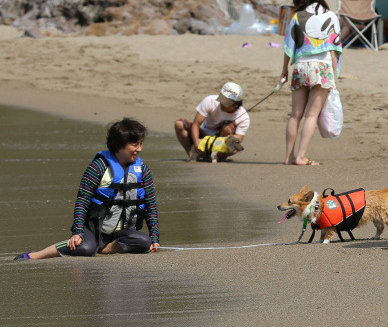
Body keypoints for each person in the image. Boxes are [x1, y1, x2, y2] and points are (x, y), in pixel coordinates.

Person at [14, 118, 160, 260]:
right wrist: (77, 231)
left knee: (143, 242)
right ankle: (35, 255)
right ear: (119, 144)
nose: (139, 149)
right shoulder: (98, 167)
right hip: (94, 228)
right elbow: (82, 200)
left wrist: (154, 238)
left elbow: (150, 205)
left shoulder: (143, 170)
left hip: (123, 233)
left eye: (141, 144)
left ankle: (102, 249)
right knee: (85, 248)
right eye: (135, 145)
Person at [280, 0, 342, 165]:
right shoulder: (331, 16)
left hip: (300, 66)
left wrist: (284, 70)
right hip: (321, 68)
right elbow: (335, 48)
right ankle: (301, 156)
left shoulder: (297, 17)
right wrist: (335, 73)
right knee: (311, 115)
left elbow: (288, 47)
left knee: (295, 115)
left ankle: (288, 157)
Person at [174, 82, 250, 161]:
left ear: (236, 104)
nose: (221, 104)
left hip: (221, 143)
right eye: (221, 99)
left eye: (225, 103)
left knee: (229, 129)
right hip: (204, 135)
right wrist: (197, 145)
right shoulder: (210, 100)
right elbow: (196, 124)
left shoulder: (244, 117)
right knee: (179, 124)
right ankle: (192, 154)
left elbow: (237, 143)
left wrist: (224, 152)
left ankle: (218, 157)